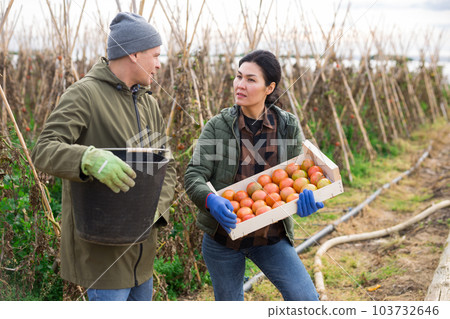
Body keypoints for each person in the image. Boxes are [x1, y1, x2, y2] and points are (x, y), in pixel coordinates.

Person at [31, 12, 176, 301]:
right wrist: (87, 159)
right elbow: (44, 150)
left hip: (142, 256)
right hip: (103, 257)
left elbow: (164, 168)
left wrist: (152, 213)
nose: (159, 65)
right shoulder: (85, 95)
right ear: (134, 54)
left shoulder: (147, 104)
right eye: (155, 55)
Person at [184, 50, 323, 301]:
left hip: (271, 237)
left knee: (306, 301)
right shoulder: (218, 126)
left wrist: (304, 200)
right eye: (238, 77)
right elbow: (194, 174)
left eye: (250, 79)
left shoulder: (287, 126)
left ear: (269, 87)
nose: (240, 85)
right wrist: (210, 200)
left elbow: (299, 174)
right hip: (223, 238)